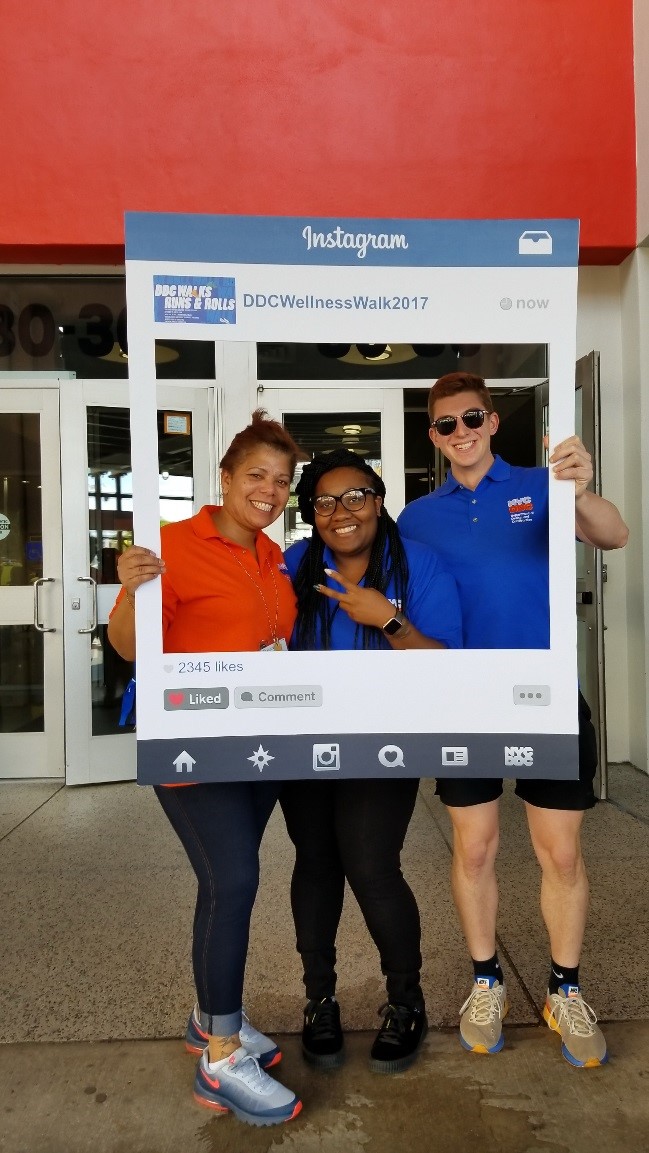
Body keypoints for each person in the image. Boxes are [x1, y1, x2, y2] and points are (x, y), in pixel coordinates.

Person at [397, 371, 629, 1068]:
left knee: (559, 851)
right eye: (445, 424)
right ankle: (485, 980)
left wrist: (580, 491)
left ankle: (563, 987)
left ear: (492, 421)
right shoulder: (416, 517)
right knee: (473, 848)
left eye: (471, 418)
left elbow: (613, 535)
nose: (459, 432)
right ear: (432, 436)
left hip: (544, 692)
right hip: (463, 698)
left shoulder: (545, 482)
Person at [107, 410, 303, 1128]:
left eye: (282, 480)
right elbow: (129, 646)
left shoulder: (273, 555)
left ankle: (210, 1012)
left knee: (225, 880)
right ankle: (220, 1057)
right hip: (192, 749)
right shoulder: (170, 547)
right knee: (235, 879)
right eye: (256, 475)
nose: (270, 490)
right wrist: (129, 585)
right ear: (223, 478)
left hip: (256, 748)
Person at [280, 448, 462, 1073]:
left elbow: (447, 664)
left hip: (385, 740)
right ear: (311, 514)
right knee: (316, 865)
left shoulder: (420, 565)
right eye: (325, 502)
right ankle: (319, 1001)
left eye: (355, 495)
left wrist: (387, 618)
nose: (341, 512)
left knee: (371, 865)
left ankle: (406, 1002)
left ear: (380, 501)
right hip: (303, 741)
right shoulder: (297, 563)